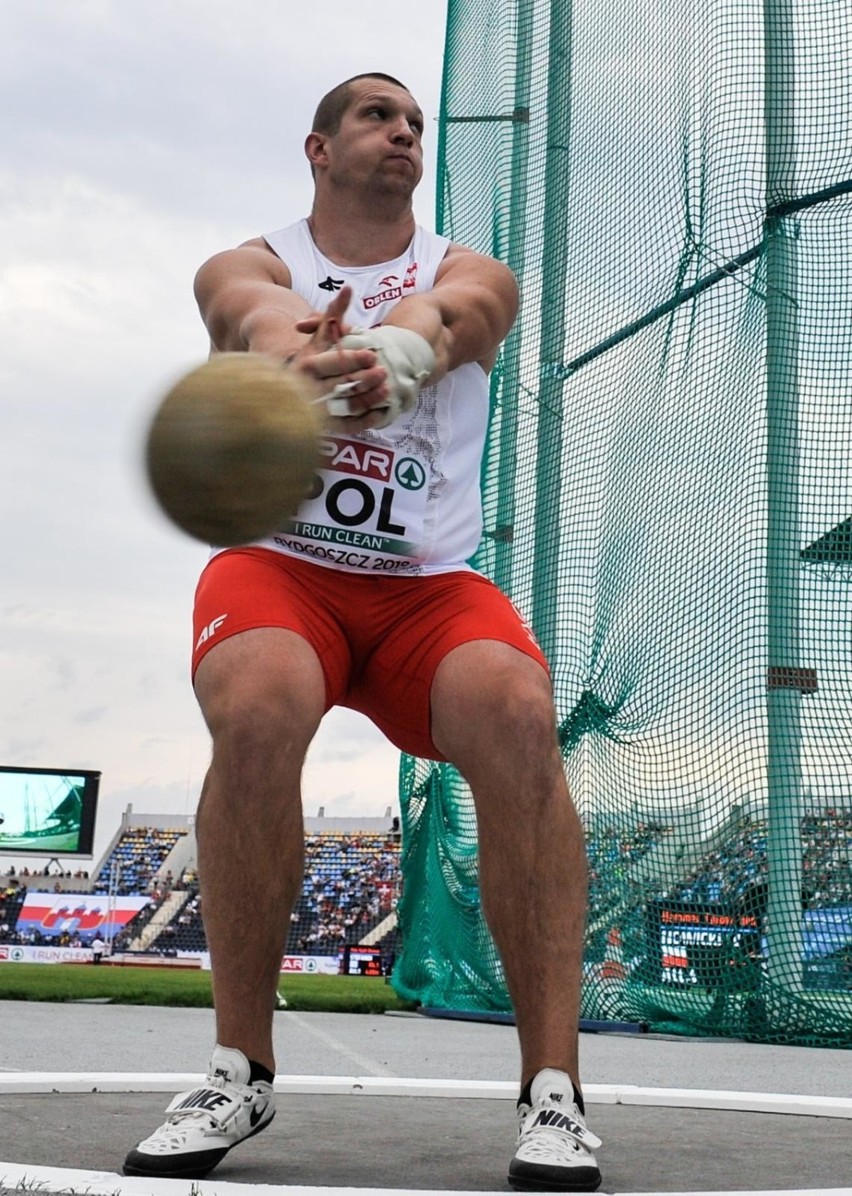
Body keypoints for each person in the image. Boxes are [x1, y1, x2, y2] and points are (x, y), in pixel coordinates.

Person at [123, 72, 601, 1192]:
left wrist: (397, 354)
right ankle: (239, 1066)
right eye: (378, 116)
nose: (404, 133)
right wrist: (302, 358)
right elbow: (251, 312)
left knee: (521, 714)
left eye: (416, 122)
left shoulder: (465, 266)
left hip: (424, 585)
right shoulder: (252, 259)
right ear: (318, 147)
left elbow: (462, 314)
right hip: (283, 566)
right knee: (257, 702)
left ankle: (553, 1090)